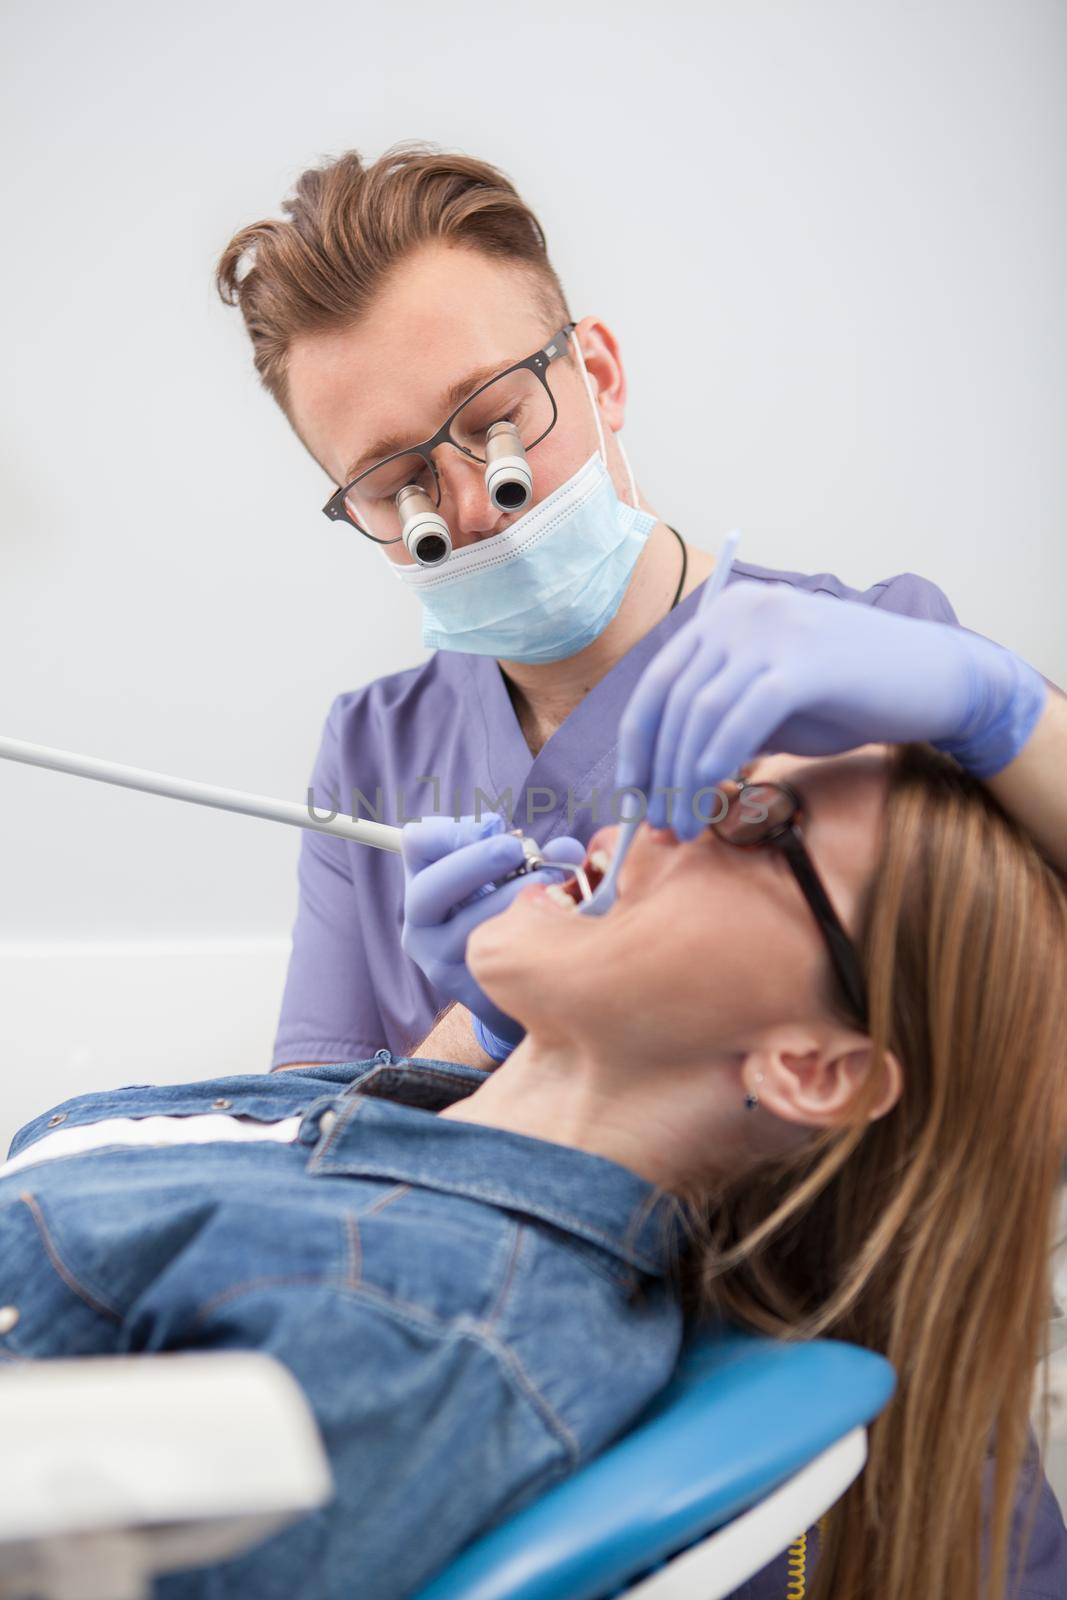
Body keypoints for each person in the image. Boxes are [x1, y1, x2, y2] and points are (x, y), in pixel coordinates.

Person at [1, 742, 1065, 1599]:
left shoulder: (416, 1331)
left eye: (751, 821)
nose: (647, 817)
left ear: (811, 1068)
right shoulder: (390, 1156)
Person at [213, 141, 1066, 1079]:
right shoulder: (372, 749)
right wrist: (484, 1033)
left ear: (600, 375)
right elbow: (306, 1146)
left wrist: (1002, 714)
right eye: (395, 485)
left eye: (498, 423)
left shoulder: (874, 652)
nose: (467, 507)